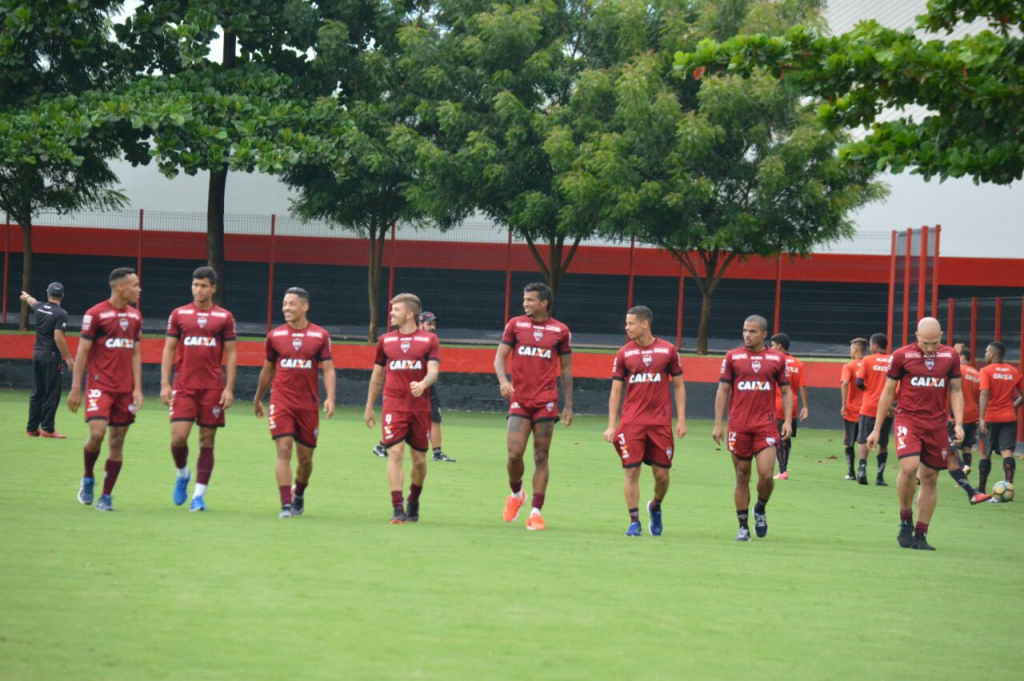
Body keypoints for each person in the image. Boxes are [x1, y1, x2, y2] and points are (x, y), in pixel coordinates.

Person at [867, 317, 964, 550]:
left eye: (934, 343)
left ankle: (921, 535)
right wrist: (876, 429)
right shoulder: (901, 356)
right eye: (925, 343)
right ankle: (905, 520)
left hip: (937, 424)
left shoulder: (950, 356)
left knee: (930, 478)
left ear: (941, 335)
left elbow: (957, 390)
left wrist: (959, 423)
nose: (930, 348)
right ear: (916, 336)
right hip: (908, 419)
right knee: (909, 468)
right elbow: (888, 393)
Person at [494, 282, 573, 531]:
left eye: (530, 299)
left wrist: (568, 404)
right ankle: (517, 495)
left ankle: (536, 513)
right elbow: (499, 358)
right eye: (524, 299)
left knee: (541, 456)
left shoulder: (560, 331)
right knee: (514, 455)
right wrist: (503, 381)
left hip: (546, 402)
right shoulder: (515, 325)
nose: (525, 303)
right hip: (519, 399)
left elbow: (567, 369)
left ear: (544, 303)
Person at [604, 306, 687, 537]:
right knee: (631, 471)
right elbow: (615, 392)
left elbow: (679, 385)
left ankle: (656, 506)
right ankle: (634, 522)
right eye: (626, 323)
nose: (626, 328)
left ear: (644, 324)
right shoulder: (623, 354)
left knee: (662, 476)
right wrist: (612, 425)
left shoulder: (668, 350)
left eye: (630, 323)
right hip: (631, 423)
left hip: (660, 424)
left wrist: (681, 419)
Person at [160, 267, 238, 512]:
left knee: (207, 441)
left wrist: (229, 388)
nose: (199, 290)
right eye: (195, 285)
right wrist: (164, 383)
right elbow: (169, 349)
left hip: (212, 388)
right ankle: (183, 474)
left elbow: (232, 352)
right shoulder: (179, 314)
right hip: (184, 386)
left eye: (204, 285)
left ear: (213, 288)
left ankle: (198, 497)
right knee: (178, 437)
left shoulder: (224, 317)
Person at [66, 267, 144, 511]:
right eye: (135, 285)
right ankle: (88, 477)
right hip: (100, 386)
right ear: (120, 287)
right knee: (97, 434)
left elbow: (135, 353)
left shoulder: (135, 317)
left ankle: (106, 496)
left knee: (117, 440)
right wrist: (76, 387)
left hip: (124, 390)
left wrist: (138, 388)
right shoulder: (95, 314)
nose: (138, 289)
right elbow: (83, 352)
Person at [254, 287, 335, 518]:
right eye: (284, 304)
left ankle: (298, 492)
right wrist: (258, 397)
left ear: (304, 307)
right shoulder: (274, 336)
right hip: (281, 402)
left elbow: (328, 369)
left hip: (307, 405)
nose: (286, 308)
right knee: (283, 448)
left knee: (306, 460)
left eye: (291, 304)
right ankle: (286, 505)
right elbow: (267, 371)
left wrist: (330, 397)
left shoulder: (320, 336)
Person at [713, 315, 792, 542]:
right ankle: (743, 526)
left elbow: (786, 391)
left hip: (765, 426)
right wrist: (719, 424)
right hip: (739, 426)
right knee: (741, 475)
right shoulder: (732, 357)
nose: (747, 335)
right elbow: (723, 391)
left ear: (764, 334)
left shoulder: (777, 359)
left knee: (766, 476)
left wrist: (786, 420)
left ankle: (760, 507)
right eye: (745, 330)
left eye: (753, 331)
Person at [364, 293, 441, 523]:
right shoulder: (385, 341)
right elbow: (377, 375)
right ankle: (397, 508)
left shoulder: (429, 340)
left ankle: (413, 500)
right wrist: (369, 406)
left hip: (419, 408)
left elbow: (434, 371)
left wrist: (424, 383)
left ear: (409, 313)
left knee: (419, 460)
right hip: (393, 406)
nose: (391, 314)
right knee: (395, 452)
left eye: (395, 310)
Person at [372, 310, 455, 462]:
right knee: (401, 422)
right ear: (419, 324)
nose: (432, 327)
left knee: (435, 418)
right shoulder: (400, 340)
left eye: (434, 324)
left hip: (427, 388)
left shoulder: (431, 340)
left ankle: (437, 453)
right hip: (406, 389)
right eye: (429, 324)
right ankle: (382, 445)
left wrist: (425, 383)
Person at [21, 283, 73, 438]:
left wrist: (26, 296)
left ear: (48, 294)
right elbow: (58, 337)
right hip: (51, 358)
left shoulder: (41, 308)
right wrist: (69, 358)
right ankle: (47, 429)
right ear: (62, 296)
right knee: (52, 393)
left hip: (37, 355)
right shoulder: (61, 314)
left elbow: (32, 302)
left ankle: (31, 428)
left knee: (37, 392)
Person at [978, 341, 1024, 494]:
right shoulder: (1014, 371)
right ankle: (1009, 487)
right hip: (1009, 418)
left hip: (990, 417)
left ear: (992, 354)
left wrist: (982, 418)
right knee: (1007, 452)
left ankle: (982, 488)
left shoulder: (985, 371)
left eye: (986, 352)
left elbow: (984, 392)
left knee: (985, 453)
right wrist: (1014, 407)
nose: (985, 354)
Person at [855, 333, 892, 486]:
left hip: (869, 406)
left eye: (871, 345)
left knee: (864, 439)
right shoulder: (893, 360)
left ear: (875, 346)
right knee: (883, 443)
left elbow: (859, 382)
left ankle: (862, 469)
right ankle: (879, 476)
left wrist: (869, 390)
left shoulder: (867, 360)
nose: (870, 347)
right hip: (887, 408)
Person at [770, 333, 807, 480]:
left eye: (773, 345)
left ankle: (782, 470)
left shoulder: (776, 362)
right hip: (793, 406)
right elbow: (803, 386)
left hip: (777, 405)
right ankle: (783, 468)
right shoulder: (798, 363)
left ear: (779, 346)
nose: (772, 348)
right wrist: (805, 406)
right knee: (787, 438)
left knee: (777, 438)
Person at [840, 338, 867, 480]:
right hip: (867, 410)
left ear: (855, 350)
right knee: (864, 441)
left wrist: (844, 404)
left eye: (851, 349)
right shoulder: (869, 364)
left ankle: (851, 473)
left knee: (849, 441)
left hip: (852, 410)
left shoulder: (849, 366)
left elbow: (845, 383)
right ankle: (863, 469)